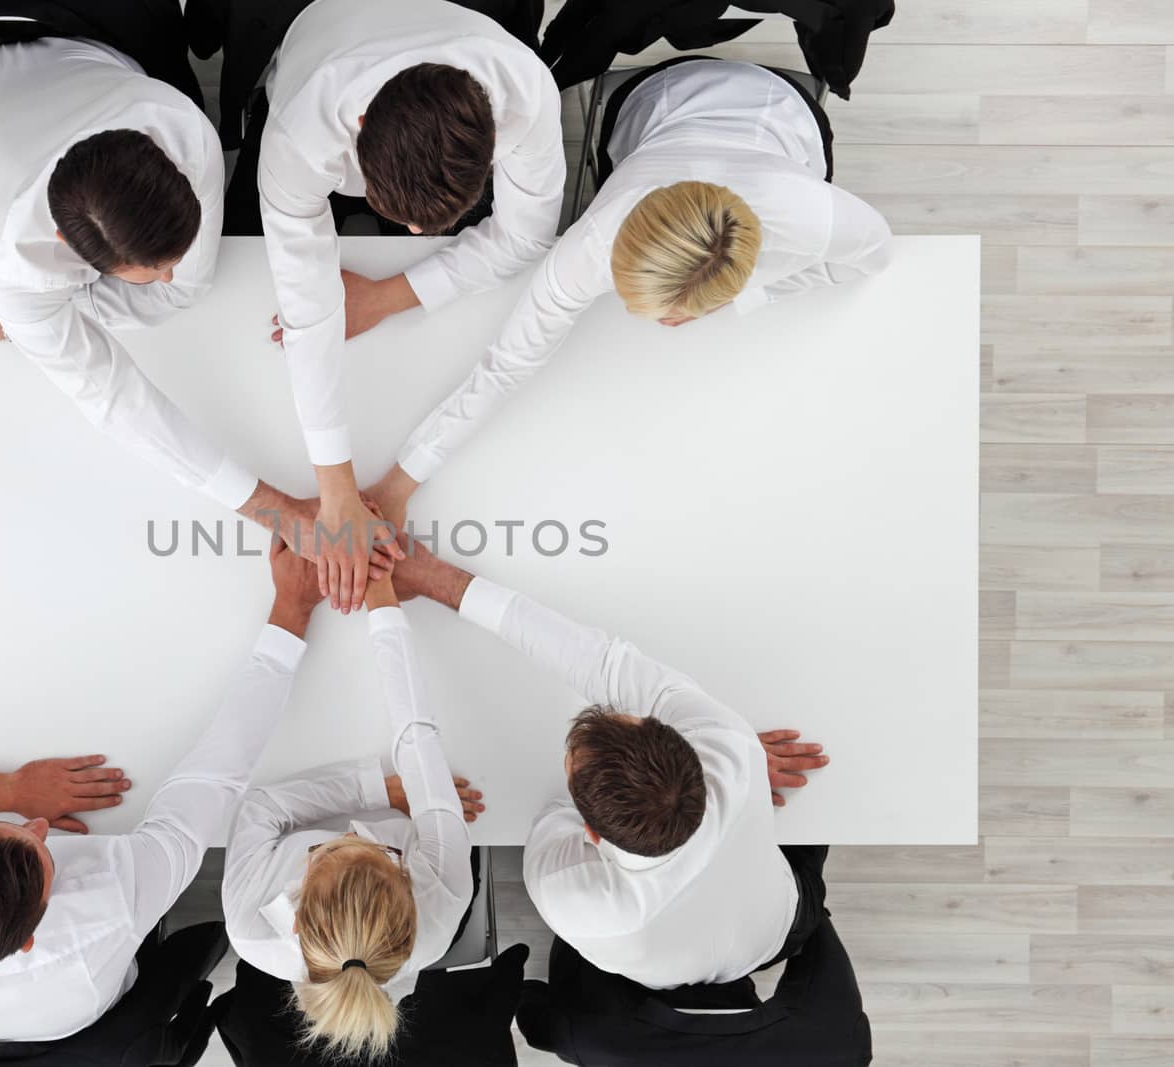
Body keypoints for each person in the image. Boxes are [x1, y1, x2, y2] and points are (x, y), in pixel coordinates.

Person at [0, 537, 326, 1043]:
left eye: (11, 829)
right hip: (78, 1017)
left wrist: (9, 790)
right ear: (32, 937)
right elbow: (216, 777)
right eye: (44, 849)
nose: (38, 825)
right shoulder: (108, 909)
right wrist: (290, 612)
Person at [366, 56, 893, 531]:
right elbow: (507, 365)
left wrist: (747, 297)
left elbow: (872, 259)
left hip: (785, 115)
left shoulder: (814, 216)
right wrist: (401, 481)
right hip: (663, 95)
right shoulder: (591, 245)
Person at [0, 35, 355, 563]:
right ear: (68, 248)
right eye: (149, 272)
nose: (167, 279)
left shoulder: (185, 132)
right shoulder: (11, 263)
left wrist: (16, 324)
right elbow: (117, 400)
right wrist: (274, 510)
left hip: (91, 57)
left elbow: (186, 290)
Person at [387, 536, 832, 989]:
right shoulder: (731, 746)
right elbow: (603, 664)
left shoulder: (569, 892)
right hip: (777, 916)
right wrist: (745, 764)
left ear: (592, 833)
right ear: (686, 747)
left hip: (758, 935)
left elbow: (552, 815)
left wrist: (744, 769)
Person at [254, 0, 565, 613]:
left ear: (493, 132)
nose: (419, 238)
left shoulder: (525, 90)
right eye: (406, 220)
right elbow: (310, 311)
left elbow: (527, 235)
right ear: (362, 124)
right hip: (323, 27)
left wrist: (386, 296)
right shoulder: (300, 135)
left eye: (430, 225)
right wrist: (336, 488)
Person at [221, 569, 486, 1059]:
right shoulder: (443, 897)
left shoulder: (248, 927)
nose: (344, 833)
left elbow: (261, 808)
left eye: (322, 851)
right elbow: (415, 731)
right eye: (381, 851)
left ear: (296, 920)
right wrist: (381, 592)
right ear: (411, 893)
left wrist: (371, 789)